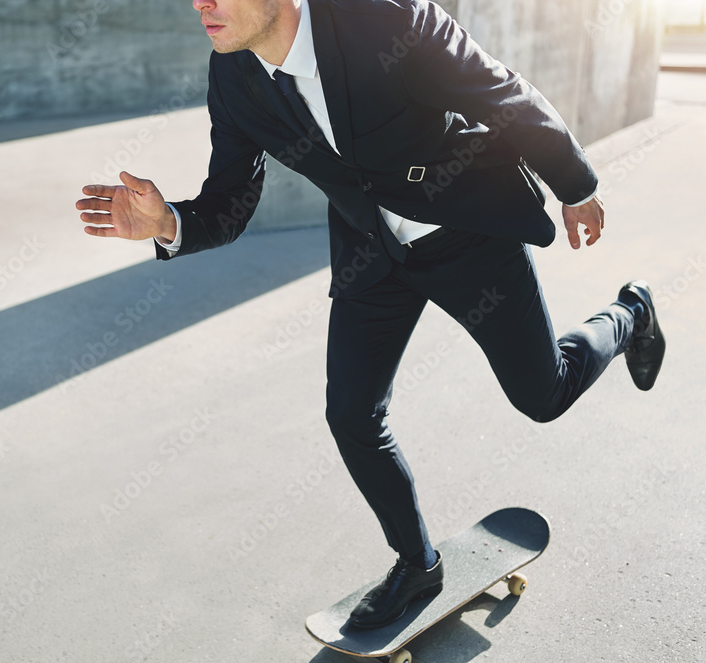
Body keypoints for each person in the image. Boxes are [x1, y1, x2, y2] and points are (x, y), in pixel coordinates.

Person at [75, 0, 666, 629]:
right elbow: (230, 199)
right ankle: (418, 565)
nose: (200, 4)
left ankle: (632, 313)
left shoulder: (383, 17)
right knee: (351, 413)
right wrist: (170, 223)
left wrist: (575, 186)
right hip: (371, 256)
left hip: (468, 235)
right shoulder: (233, 72)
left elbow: (499, 93)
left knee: (543, 395)